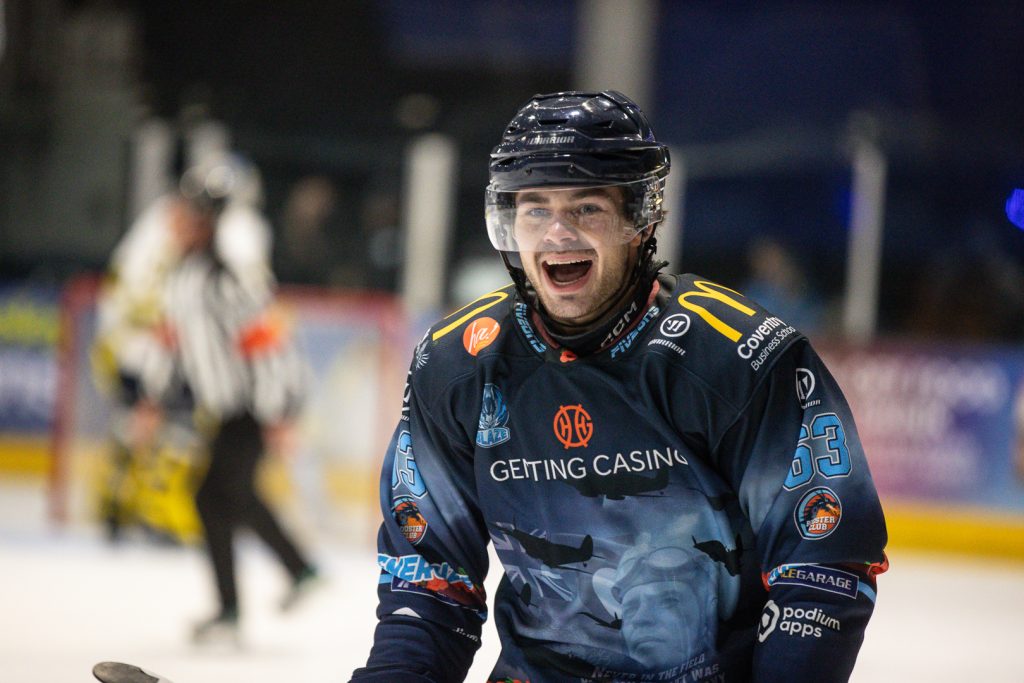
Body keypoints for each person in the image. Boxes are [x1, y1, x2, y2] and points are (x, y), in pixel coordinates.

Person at [351, 91, 887, 683]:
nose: (557, 233)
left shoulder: (738, 356)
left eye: (586, 208)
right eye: (534, 209)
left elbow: (822, 566)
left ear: (641, 219)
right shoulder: (457, 364)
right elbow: (429, 584)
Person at [136, 153, 319, 644]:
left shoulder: (225, 279)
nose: (177, 224)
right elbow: (175, 343)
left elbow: (267, 345)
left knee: (216, 497)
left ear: (207, 224)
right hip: (226, 410)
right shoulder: (184, 277)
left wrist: (282, 411)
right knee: (224, 498)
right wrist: (151, 399)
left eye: (189, 217)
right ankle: (290, 575)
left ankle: (242, 604)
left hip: (250, 409)